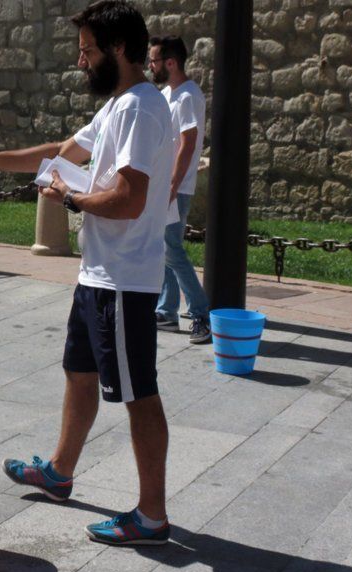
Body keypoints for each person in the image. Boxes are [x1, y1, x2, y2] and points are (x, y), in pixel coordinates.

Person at [0, 0, 173, 546]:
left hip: (123, 281)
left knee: (139, 392)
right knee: (79, 372)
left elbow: (129, 200)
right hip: (96, 275)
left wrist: (69, 196)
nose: (80, 62)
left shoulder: (142, 109)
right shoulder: (118, 106)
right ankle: (59, 472)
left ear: (118, 50)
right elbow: (58, 152)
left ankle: (151, 515)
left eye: (87, 51)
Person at [149, 36, 211, 344]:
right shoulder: (166, 94)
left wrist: (172, 185)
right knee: (165, 248)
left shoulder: (188, 96)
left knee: (171, 248)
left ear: (170, 63)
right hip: (164, 185)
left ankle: (201, 313)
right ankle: (167, 312)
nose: (150, 66)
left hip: (177, 187)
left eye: (154, 61)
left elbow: (188, 145)